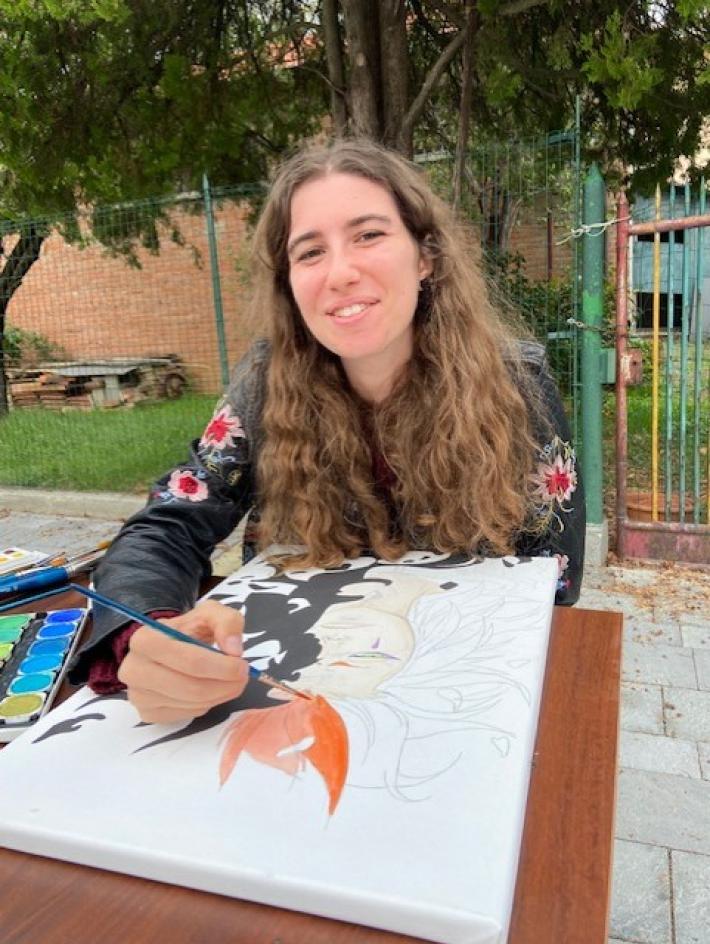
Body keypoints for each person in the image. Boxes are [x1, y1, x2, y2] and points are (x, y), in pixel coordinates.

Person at [68, 138, 585, 724]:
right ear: (289, 282)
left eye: (369, 235)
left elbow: (554, 583)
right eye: (310, 252)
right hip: (294, 692)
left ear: (425, 257)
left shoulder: (517, 386)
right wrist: (146, 632)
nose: (340, 273)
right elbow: (168, 525)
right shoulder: (266, 387)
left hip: (459, 696)